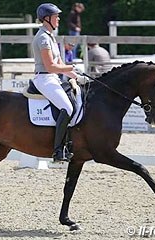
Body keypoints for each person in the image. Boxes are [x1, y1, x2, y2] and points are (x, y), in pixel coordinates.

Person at [32, 3, 89, 162]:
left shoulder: (50, 36)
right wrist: (72, 67)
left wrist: (78, 77)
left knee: (74, 101)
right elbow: (51, 66)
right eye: (56, 16)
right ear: (47, 19)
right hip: (44, 78)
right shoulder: (43, 37)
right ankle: (57, 151)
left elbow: (60, 65)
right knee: (67, 107)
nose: (58, 19)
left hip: (52, 77)